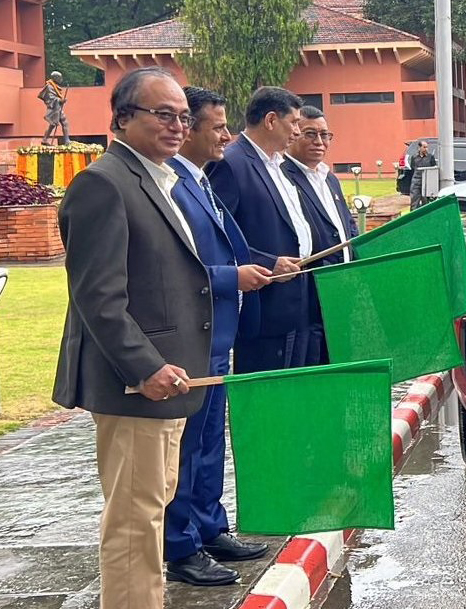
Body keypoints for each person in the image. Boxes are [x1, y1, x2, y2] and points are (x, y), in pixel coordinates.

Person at [53, 66, 208, 609]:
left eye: (183, 117)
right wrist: (144, 366)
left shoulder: (159, 179)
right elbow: (98, 298)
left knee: (152, 506)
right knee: (134, 519)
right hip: (135, 384)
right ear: (121, 119)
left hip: (168, 380)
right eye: (162, 114)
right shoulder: (102, 183)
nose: (177, 126)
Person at [163, 87, 272, 586]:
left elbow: (233, 245)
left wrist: (269, 265)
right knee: (188, 443)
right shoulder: (174, 189)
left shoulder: (200, 182)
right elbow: (176, 268)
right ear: (189, 130)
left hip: (218, 332)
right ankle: (181, 544)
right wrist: (234, 278)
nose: (226, 136)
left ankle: (209, 526)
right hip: (193, 333)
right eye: (217, 126)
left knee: (209, 440)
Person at [206, 86, 311, 373]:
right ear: (271, 120)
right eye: (294, 123)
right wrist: (267, 263)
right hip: (263, 306)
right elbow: (217, 236)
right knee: (265, 400)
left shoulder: (281, 165)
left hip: (295, 303)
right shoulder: (232, 163)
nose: (298, 132)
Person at [282, 105, 358, 365]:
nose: (319, 142)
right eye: (310, 134)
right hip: (309, 297)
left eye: (325, 135)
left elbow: (347, 226)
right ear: (293, 134)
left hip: (341, 293)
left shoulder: (329, 178)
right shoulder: (282, 178)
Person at [39, 70, 70, 145]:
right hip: (53, 108)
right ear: (56, 78)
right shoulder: (49, 87)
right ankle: (45, 139)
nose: (61, 79)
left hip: (57, 108)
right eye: (60, 78)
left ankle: (66, 140)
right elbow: (51, 98)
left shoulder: (55, 86)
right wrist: (60, 100)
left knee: (64, 122)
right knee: (53, 124)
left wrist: (61, 100)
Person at [409, 140, 437, 210]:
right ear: (419, 148)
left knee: (425, 200)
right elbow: (412, 167)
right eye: (424, 147)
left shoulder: (430, 157)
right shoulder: (414, 157)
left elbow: (433, 167)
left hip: (426, 180)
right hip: (416, 180)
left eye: (427, 147)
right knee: (414, 200)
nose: (426, 149)